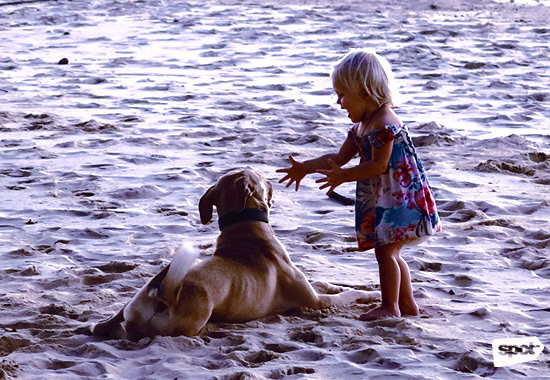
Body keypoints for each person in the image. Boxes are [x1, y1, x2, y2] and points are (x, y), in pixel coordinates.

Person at [277, 49, 442, 320]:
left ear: (365, 93)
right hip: (384, 197)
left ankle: (391, 306)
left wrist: (343, 176)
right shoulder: (361, 127)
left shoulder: (385, 124)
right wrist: (305, 168)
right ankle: (408, 305)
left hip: (400, 197)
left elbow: (378, 165)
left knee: (386, 252)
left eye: (342, 95)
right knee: (391, 251)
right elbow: (338, 158)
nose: (339, 102)